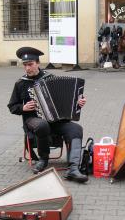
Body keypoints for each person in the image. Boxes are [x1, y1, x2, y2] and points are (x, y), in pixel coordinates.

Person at [7, 47, 88, 183]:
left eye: (30, 64)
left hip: (56, 121)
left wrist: (79, 102)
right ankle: (43, 160)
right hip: (33, 120)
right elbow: (12, 107)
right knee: (42, 125)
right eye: (25, 65)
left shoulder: (50, 78)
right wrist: (23, 107)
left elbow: (68, 99)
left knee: (76, 129)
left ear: (38, 63)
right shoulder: (20, 83)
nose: (27, 68)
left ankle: (73, 168)